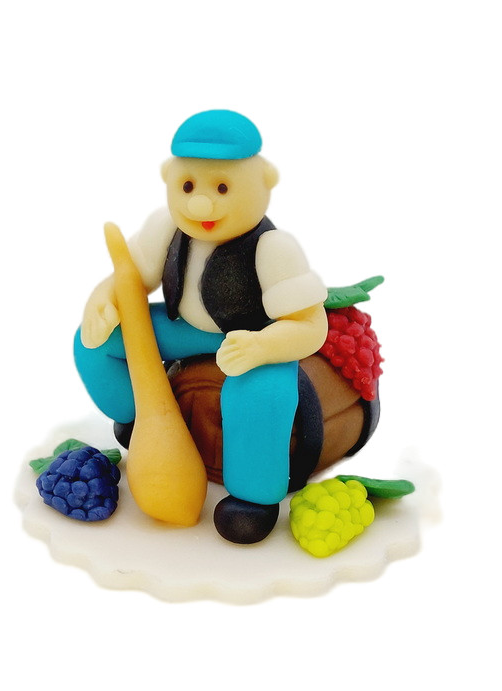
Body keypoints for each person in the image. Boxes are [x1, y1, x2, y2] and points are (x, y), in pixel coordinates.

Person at [74, 110, 328, 543]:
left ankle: (253, 499)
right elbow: (131, 276)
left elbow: (310, 325)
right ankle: (139, 420)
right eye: (188, 186)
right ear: (168, 178)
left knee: (261, 395)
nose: (200, 205)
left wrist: (263, 347)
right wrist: (102, 298)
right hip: (185, 330)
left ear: (265, 181)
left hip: (254, 341)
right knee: (95, 344)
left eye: (222, 188)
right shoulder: (165, 227)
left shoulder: (274, 248)